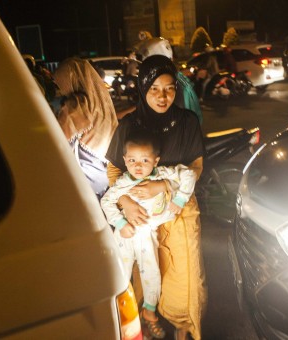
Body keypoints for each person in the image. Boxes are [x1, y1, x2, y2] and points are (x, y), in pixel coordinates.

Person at [106, 54, 206, 340]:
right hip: (138, 210)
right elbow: (114, 170)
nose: (163, 97)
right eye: (154, 89)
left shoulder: (186, 122)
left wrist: (162, 186)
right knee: (140, 270)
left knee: (184, 272)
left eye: (169, 88)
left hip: (178, 208)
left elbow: (196, 167)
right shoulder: (129, 125)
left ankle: (184, 326)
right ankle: (142, 319)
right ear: (143, 88)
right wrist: (126, 203)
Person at [100, 130, 197, 339]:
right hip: (124, 237)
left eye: (145, 160)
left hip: (147, 236)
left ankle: (149, 312)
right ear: (125, 161)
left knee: (152, 276)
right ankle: (121, 319)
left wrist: (179, 199)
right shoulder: (123, 183)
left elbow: (189, 175)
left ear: (156, 161)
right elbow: (106, 201)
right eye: (132, 160)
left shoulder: (163, 174)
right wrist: (120, 222)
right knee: (121, 276)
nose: (138, 165)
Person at [53, 57, 118, 199]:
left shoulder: (76, 103)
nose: (59, 87)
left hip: (86, 173)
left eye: (60, 82)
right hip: (104, 170)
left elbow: (58, 139)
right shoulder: (100, 100)